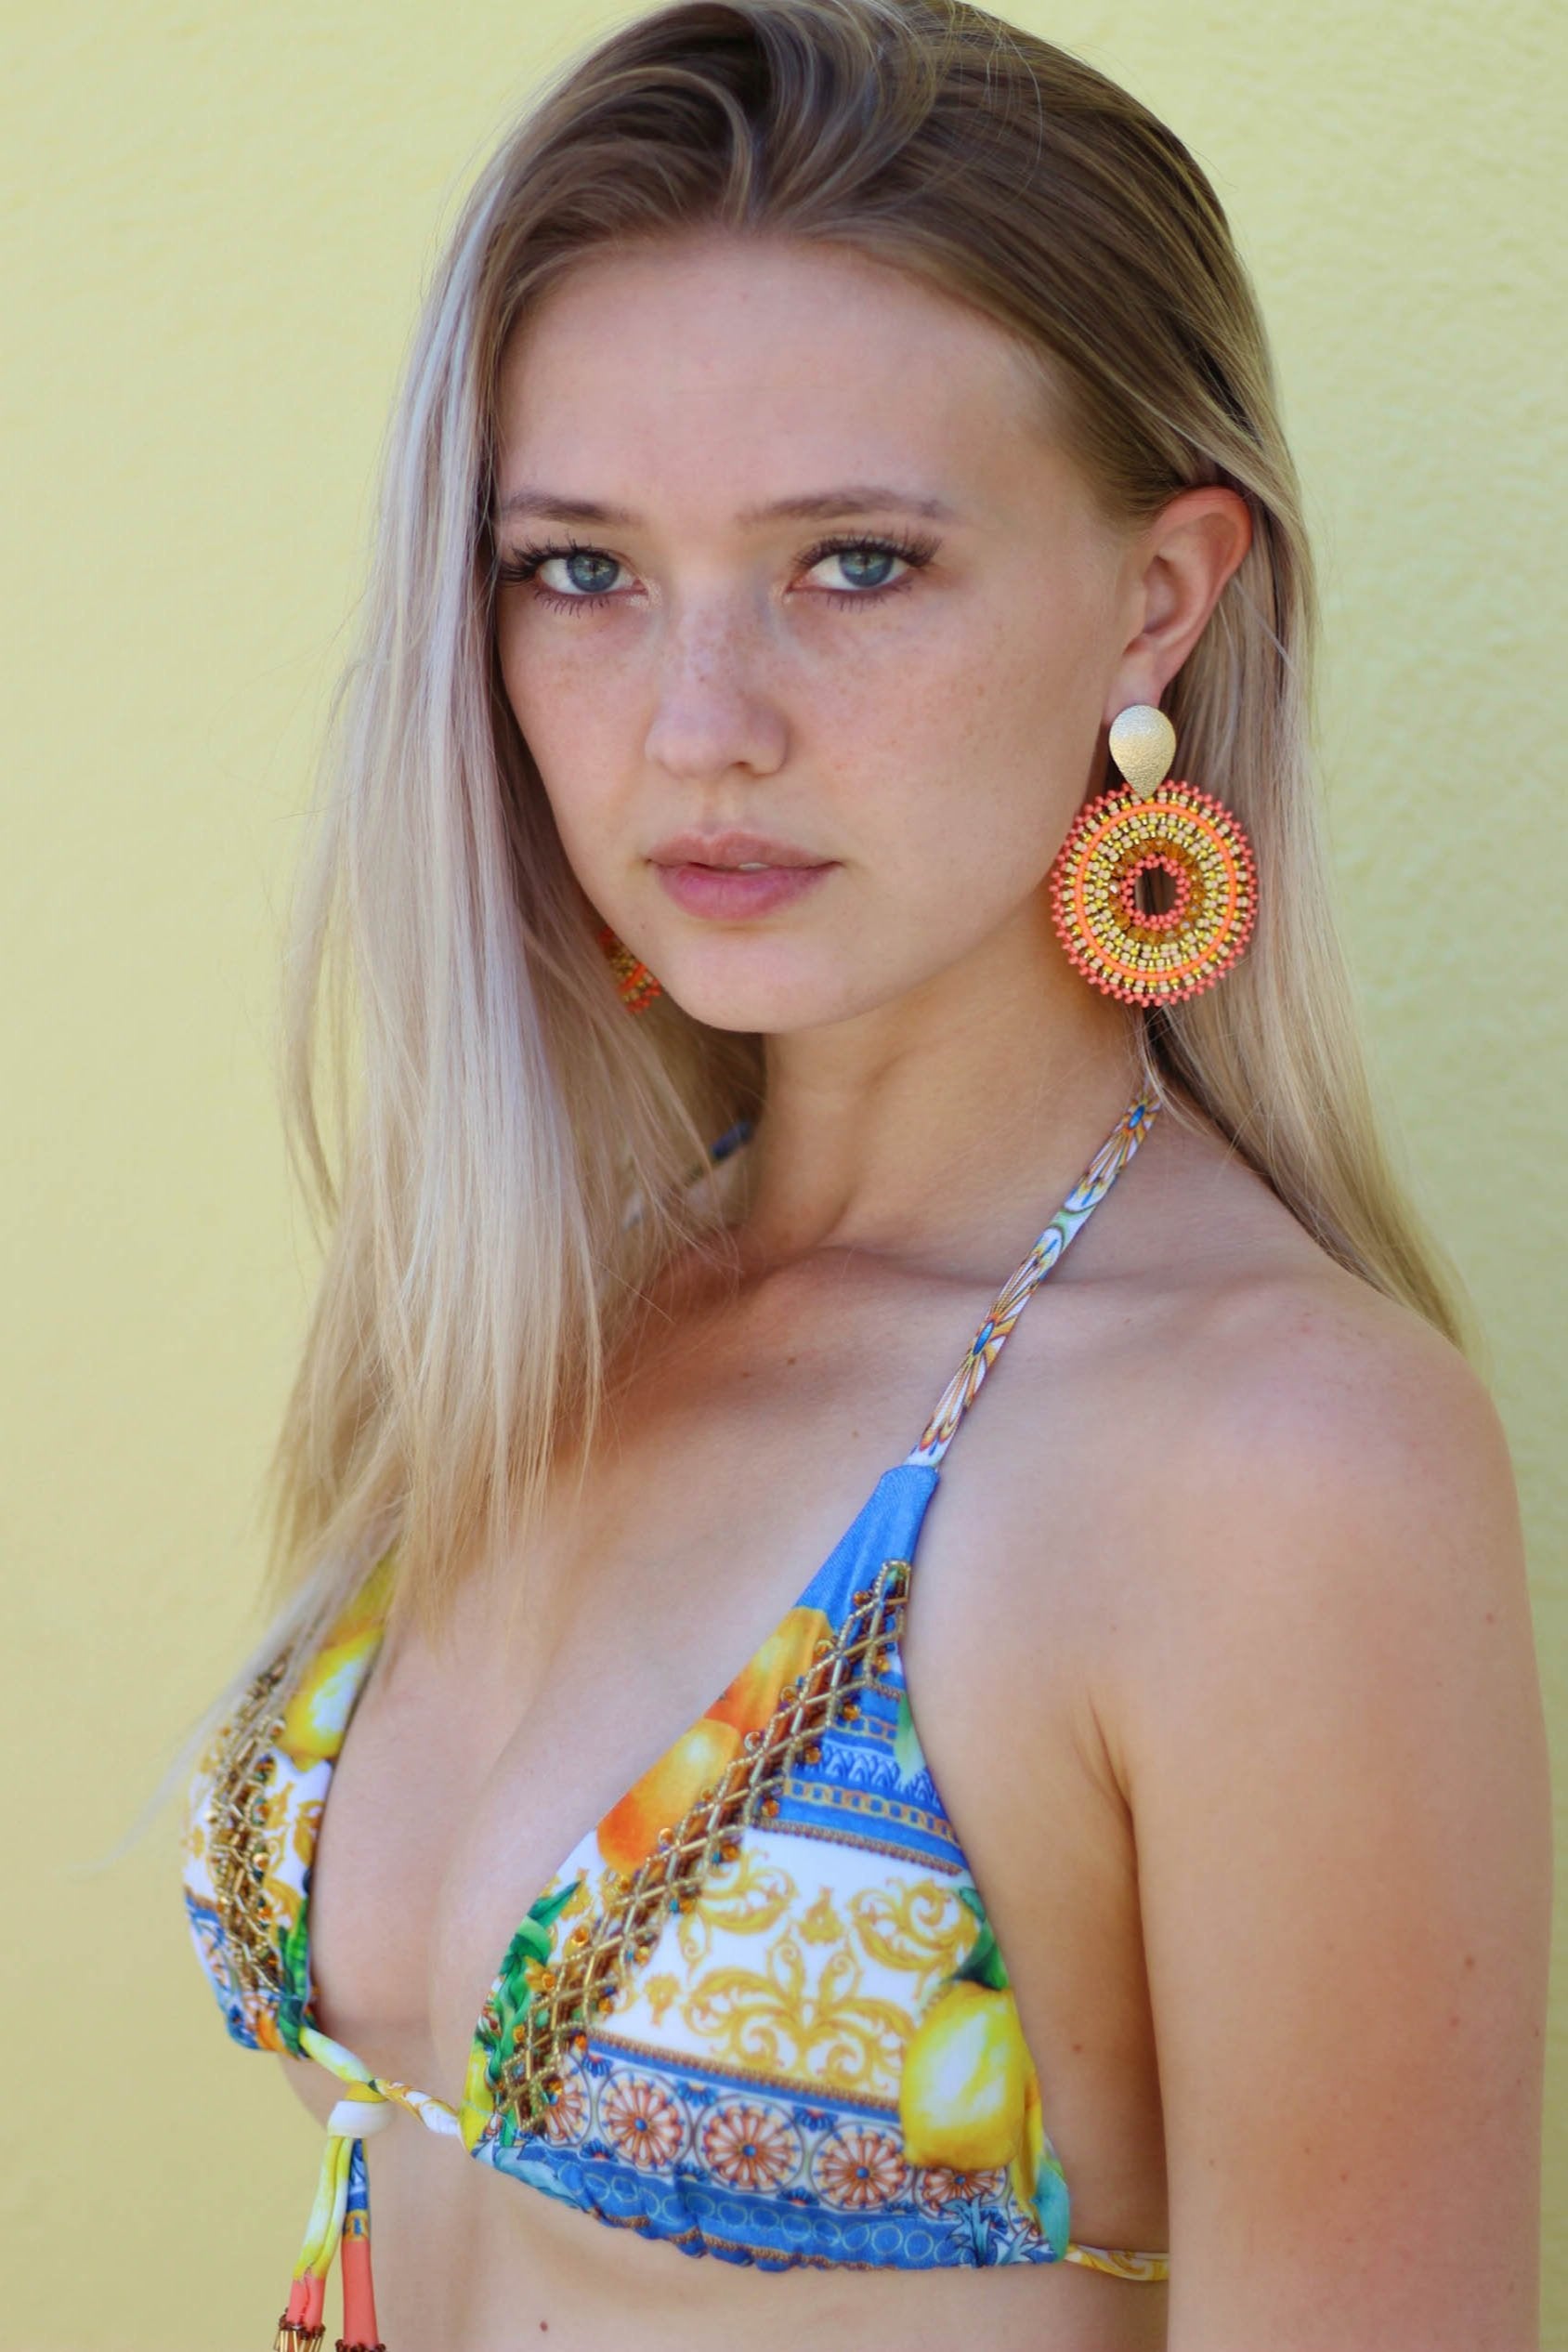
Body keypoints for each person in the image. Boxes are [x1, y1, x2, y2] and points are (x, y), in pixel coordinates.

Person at [180, 3, 1552, 2346]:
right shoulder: (546, 1305)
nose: (697, 724)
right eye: (581, 572)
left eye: (855, 564)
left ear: (1159, 597)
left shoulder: (1270, 1457)